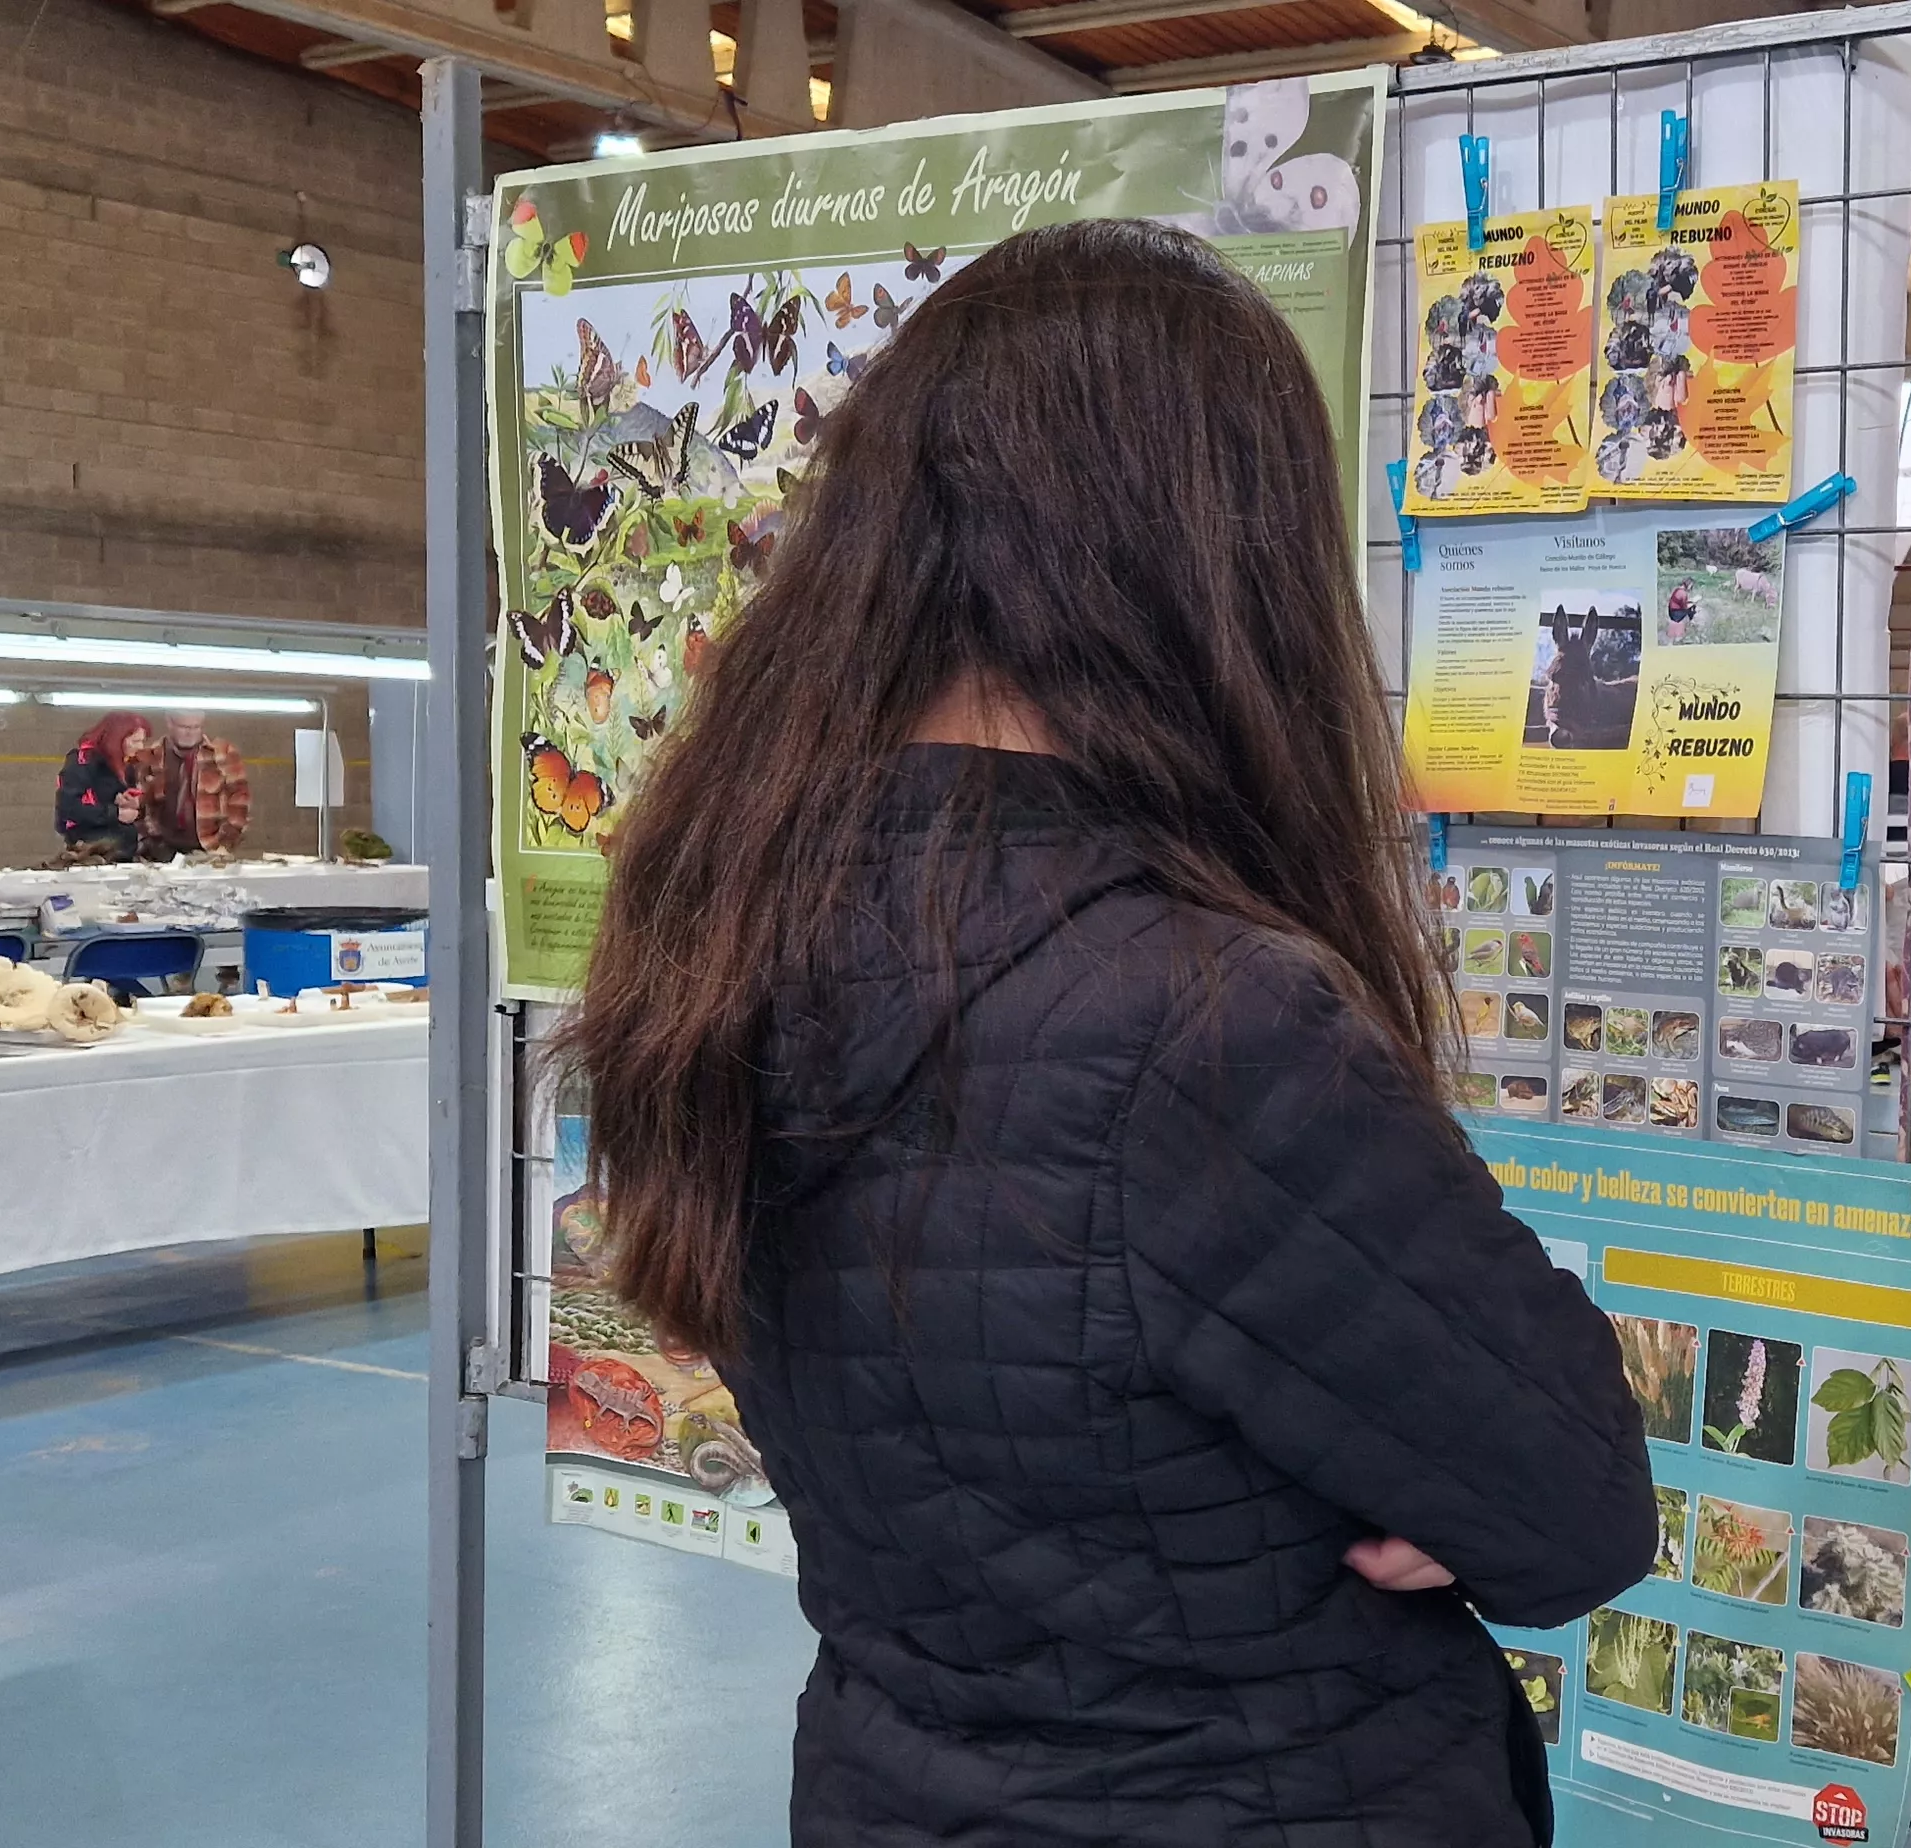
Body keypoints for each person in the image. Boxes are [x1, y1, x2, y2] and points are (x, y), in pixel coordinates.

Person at [562, 220, 1653, 1848]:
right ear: (1212, 559)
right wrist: (1410, 1479)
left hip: (889, 1781)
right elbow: (1571, 1508)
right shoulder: (1204, 1024)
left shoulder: (726, 942)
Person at [126, 709, 248, 856]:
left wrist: (226, 842)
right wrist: (146, 840)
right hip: (161, 848)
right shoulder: (149, 757)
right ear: (169, 722)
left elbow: (240, 800)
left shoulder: (223, 753)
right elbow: (138, 804)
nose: (191, 733)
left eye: (196, 727)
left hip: (211, 848)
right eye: (184, 727)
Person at [54, 713, 150, 860]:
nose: (140, 747)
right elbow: (68, 808)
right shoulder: (83, 762)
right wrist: (115, 813)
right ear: (117, 739)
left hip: (123, 850)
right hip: (91, 851)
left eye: (142, 741)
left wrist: (127, 801)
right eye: (135, 741)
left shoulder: (126, 766)